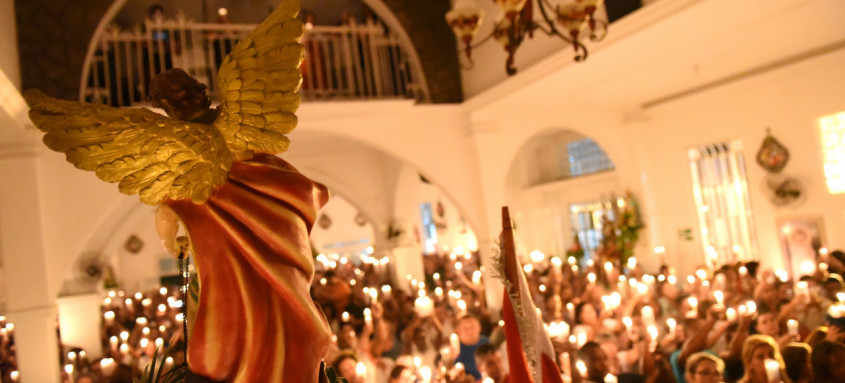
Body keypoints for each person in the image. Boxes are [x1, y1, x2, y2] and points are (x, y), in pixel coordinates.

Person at [454, 314, 490, 380]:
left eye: (472, 327)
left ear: (479, 327)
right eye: (465, 328)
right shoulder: (455, 350)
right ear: (458, 330)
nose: (469, 331)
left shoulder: (486, 342)